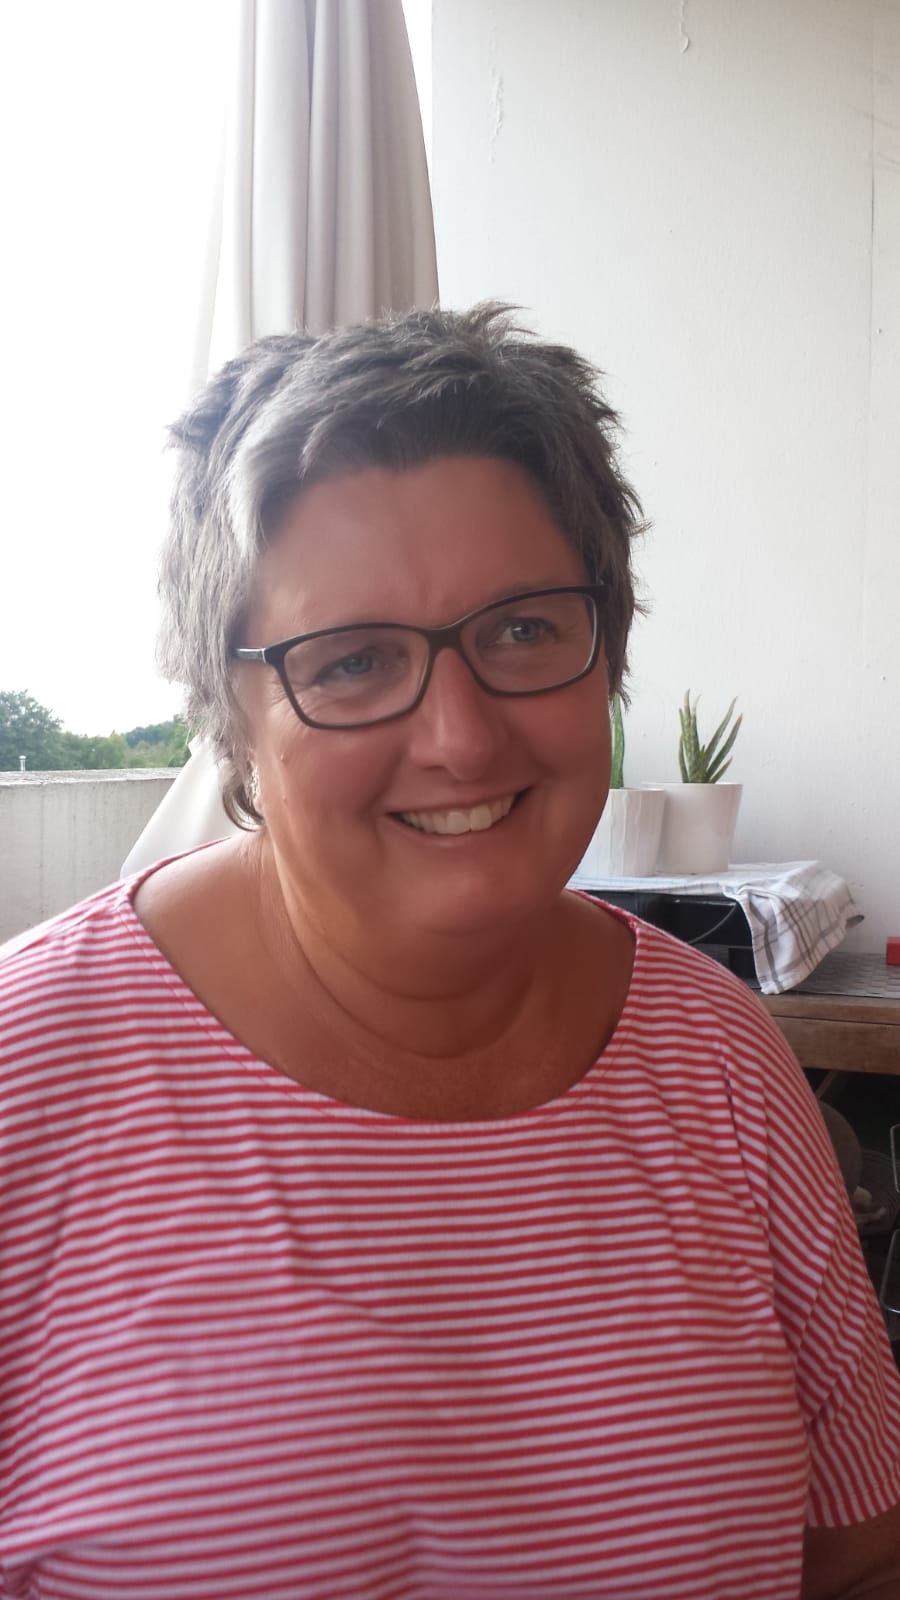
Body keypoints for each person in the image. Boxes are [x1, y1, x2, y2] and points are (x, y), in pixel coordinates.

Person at [1, 305, 899, 1600]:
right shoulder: (31, 1074)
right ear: (233, 712)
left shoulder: (720, 1061)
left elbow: (858, 1553)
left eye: (524, 629)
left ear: (609, 651)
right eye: (354, 661)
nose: (463, 739)